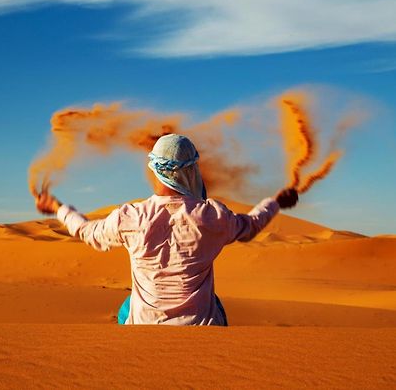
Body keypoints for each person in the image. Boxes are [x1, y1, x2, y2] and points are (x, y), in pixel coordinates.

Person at [35, 133, 298, 325]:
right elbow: (250, 226)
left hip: (143, 326)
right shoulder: (212, 216)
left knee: (127, 307)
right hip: (201, 328)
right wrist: (275, 203)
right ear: (193, 169)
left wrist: (58, 207)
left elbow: (87, 232)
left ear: (155, 171)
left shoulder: (131, 217)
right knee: (216, 304)